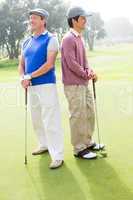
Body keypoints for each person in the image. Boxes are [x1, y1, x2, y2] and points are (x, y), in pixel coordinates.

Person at [18, 8, 64, 169]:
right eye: (30, 18)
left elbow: (49, 64)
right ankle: (43, 144)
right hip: (31, 87)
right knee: (36, 119)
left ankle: (57, 155)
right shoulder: (26, 41)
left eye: (35, 18)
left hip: (46, 85)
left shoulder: (51, 39)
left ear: (43, 20)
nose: (31, 21)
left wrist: (29, 76)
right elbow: (21, 64)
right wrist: (22, 77)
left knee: (51, 120)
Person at [61, 6, 104, 159]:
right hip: (73, 84)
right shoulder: (68, 39)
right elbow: (72, 63)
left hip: (83, 83)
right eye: (83, 18)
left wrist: (90, 71)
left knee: (88, 112)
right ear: (74, 20)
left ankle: (87, 142)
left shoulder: (79, 37)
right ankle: (79, 148)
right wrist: (86, 74)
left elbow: (84, 61)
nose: (85, 21)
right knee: (77, 115)